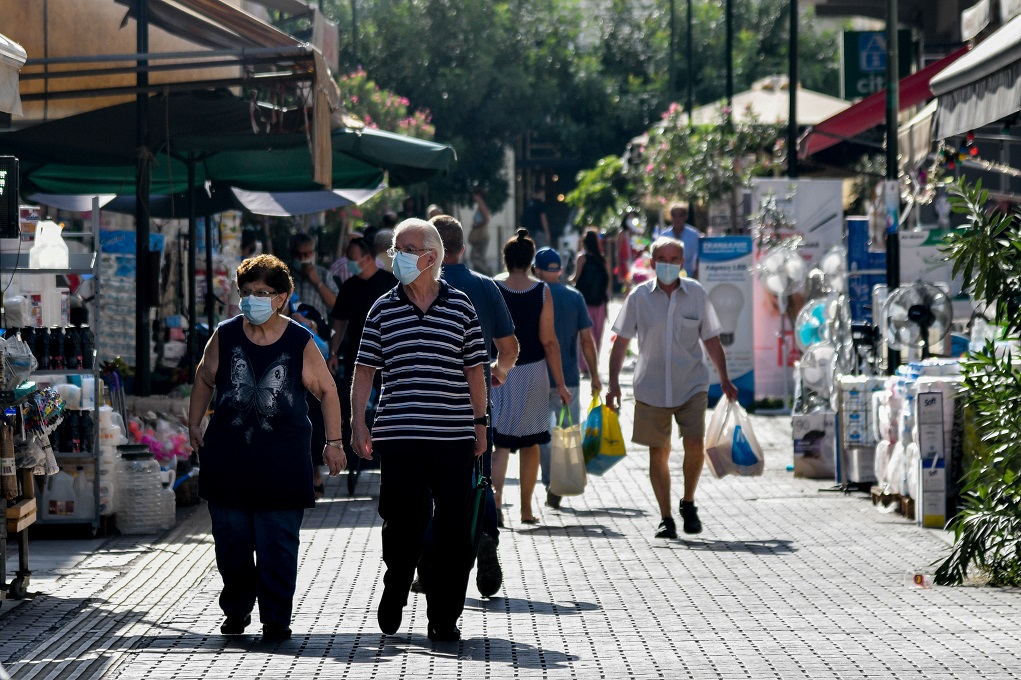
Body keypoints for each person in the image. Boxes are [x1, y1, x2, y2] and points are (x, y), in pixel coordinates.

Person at [188, 254, 347, 641]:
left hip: (282, 462)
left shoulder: (299, 340)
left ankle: (276, 618)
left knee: (277, 547)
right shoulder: (225, 334)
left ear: (283, 296)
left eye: (263, 292)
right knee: (232, 546)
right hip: (229, 459)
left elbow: (327, 390)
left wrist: (334, 442)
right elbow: (204, 376)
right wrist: (194, 422)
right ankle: (237, 609)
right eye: (247, 292)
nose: (253, 299)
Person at [351, 219, 489, 642]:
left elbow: (475, 372)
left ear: (431, 255)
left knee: (452, 529)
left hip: (452, 437)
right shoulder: (383, 308)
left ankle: (444, 617)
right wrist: (358, 421)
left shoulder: (461, 306)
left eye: (407, 248)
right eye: (396, 249)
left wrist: (481, 425)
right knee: (402, 523)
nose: (399, 256)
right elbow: (364, 370)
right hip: (399, 436)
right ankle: (397, 581)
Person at [606, 237, 738, 539]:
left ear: (683, 263)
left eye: (674, 258)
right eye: (662, 259)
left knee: (694, 445)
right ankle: (666, 517)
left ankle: (688, 502)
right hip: (651, 388)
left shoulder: (696, 294)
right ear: (652, 263)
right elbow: (620, 342)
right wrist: (613, 384)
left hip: (691, 384)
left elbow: (712, 340)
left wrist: (726, 379)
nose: (668, 264)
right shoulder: (639, 298)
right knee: (659, 453)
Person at [431, 213, 519, 598]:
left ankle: (430, 560)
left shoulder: (419, 285)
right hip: (475, 403)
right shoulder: (485, 286)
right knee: (480, 477)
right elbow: (510, 348)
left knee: (431, 484)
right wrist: (496, 373)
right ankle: (486, 534)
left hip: (426, 405)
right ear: (463, 248)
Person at [491, 230, 572, 524]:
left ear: (506, 258)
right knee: (530, 444)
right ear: (530, 262)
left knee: (499, 443)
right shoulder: (542, 291)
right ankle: (526, 510)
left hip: (499, 369)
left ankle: (496, 504)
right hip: (534, 371)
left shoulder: (494, 286)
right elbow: (548, 340)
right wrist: (560, 383)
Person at [531, 247, 602, 509]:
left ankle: (550, 480)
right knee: (567, 433)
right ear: (560, 270)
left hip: (536, 376)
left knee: (543, 434)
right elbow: (586, 340)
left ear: (536, 269)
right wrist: (594, 375)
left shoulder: (532, 295)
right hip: (569, 378)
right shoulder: (574, 297)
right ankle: (560, 481)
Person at [327, 235, 397, 467]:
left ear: (367, 258)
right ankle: (355, 450)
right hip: (359, 356)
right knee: (354, 405)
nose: (349, 263)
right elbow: (339, 322)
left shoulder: (389, 283)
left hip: (389, 359)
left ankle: (385, 451)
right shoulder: (349, 287)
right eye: (347, 258)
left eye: (353, 258)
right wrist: (333, 352)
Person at [570, 228, 611, 372]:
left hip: (584, 302)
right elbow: (608, 283)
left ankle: (583, 365)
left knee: (584, 334)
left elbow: (575, 278)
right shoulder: (603, 260)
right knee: (597, 334)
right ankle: (592, 363)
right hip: (600, 302)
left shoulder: (582, 258)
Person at [288, 232, 338, 323]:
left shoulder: (323, 274)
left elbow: (336, 306)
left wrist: (317, 282)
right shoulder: (283, 274)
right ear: (291, 254)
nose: (302, 258)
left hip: (317, 329)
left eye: (306, 254)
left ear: (312, 254)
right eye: (297, 254)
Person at [658, 203, 702, 278]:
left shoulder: (694, 235)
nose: (677, 218)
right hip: (668, 278)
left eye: (681, 215)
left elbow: (699, 256)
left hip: (689, 277)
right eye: (675, 215)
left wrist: (696, 274)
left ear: (686, 217)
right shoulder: (664, 236)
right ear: (671, 217)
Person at [467, 186, 492, 275]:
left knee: (475, 257)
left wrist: (477, 225)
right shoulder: (480, 205)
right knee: (479, 257)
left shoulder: (481, 205)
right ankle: (482, 272)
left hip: (481, 235)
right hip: (481, 235)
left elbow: (486, 219)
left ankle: (487, 272)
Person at [614, 213, 640, 295]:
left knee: (638, 286)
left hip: (637, 263)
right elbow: (618, 251)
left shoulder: (639, 233)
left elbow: (645, 245)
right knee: (628, 286)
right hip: (626, 264)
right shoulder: (622, 234)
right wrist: (619, 267)